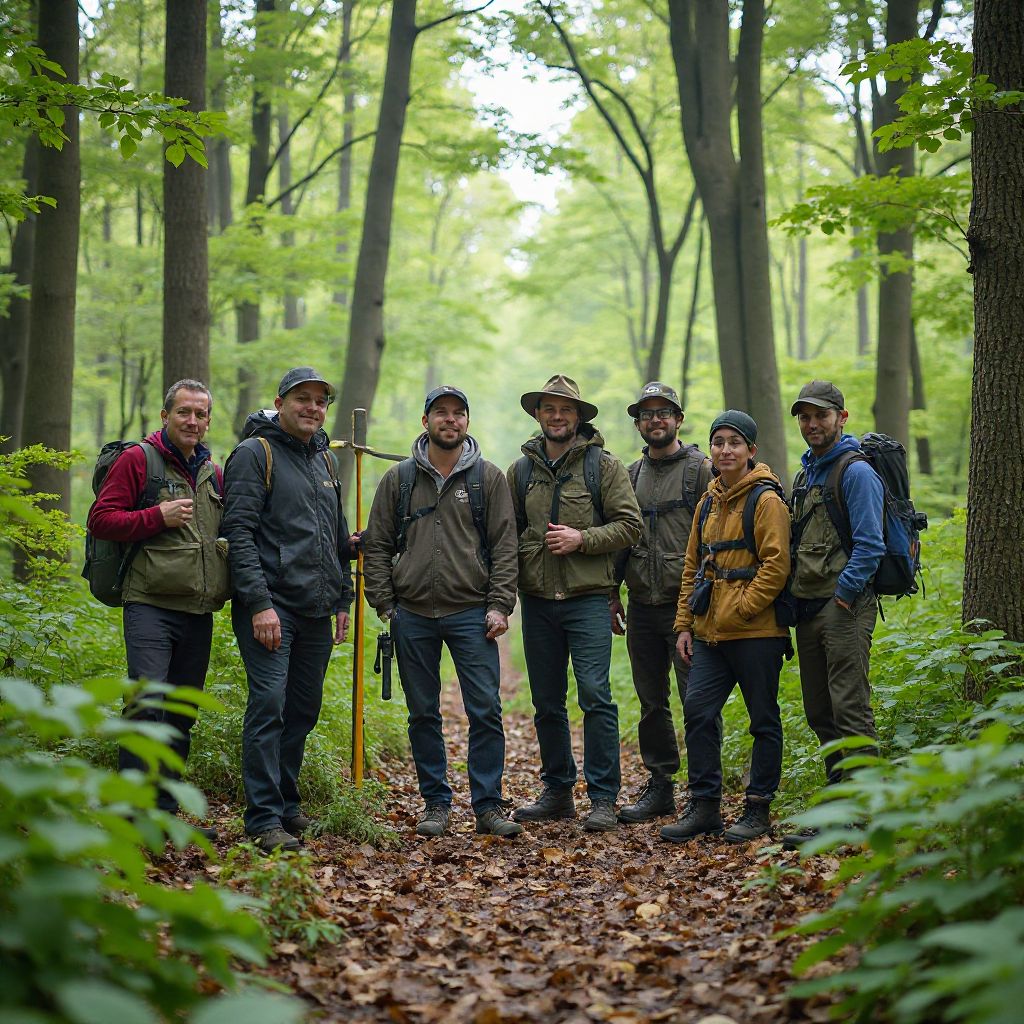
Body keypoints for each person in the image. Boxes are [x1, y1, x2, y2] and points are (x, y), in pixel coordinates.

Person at [363, 385, 522, 839]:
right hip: (411, 613)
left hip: (473, 613)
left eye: (458, 413)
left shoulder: (486, 478)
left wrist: (499, 605)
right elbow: (376, 544)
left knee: (486, 710)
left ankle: (488, 807)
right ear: (425, 420)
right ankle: (435, 804)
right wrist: (385, 602)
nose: (449, 420)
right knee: (422, 714)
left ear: (467, 422)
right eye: (440, 413)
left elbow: (505, 546)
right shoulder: (400, 479)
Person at [87, 379, 230, 839]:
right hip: (149, 604)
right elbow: (101, 520)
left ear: (209, 421)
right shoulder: (138, 460)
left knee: (180, 713)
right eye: (184, 412)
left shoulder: (213, 469)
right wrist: (156, 518)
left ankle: (165, 813)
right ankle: (130, 814)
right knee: (147, 705)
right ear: (166, 414)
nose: (192, 421)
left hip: (197, 609)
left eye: (201, 414)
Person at [222, 367, 355, 854]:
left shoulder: (324, 460)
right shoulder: (254, 454)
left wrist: (343, 598)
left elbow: (336, 537)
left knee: (302, 709)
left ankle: (285, 803)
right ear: (280, 402)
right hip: (271, 608)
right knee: (269, 706)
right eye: (303, 399)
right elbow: (237, 534)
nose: (313, 408)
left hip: (317, 610)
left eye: (321, 401)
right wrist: (258, 604)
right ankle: (261, 819)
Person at [508, 374, 643, 833]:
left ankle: (603, 797)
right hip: (538, 601)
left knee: (595, 697)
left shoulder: (603, 466)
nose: (558, 416)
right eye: (550, 408)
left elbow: (630, 526)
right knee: (546, 701)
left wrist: (582, 538)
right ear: (538, 414)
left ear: (579, 417)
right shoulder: (520, 471)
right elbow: (504, 537)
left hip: (587, 600)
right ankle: (557, 792)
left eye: (566, 409)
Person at [662, 411, 791, 845]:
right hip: (709, 635)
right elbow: (692, 567)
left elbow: (776, 566)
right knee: (698, 712)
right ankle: (704, 806)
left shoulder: (766, 500)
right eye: (718, 442)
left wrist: (743, 608)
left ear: (751, 450)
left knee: (763, 720)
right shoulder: (708, 501)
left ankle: (758, 808)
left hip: (757, 633)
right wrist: (685, 624)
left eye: (735, 442)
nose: (725, 450)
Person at [781, 381, 885, 851]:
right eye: (804, 417)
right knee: (820, 709)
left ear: (842, 417)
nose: (811, 424)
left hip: (844, 607)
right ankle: (837, 803)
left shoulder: (855, 472)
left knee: (849, 706)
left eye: (820, 415)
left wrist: (844, 595)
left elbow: (870, 544)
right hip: (810, 609)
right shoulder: (806, 474)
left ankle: (862, 812)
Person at [610, 382, 713, 823]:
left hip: (690, 607)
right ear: (638, 423)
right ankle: (661, 785)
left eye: (664, 412)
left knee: (698, 702)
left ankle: (705, 793)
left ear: (678, 419)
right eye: (647, 414)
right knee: (652, 702)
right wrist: (611, 591)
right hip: (642, 605)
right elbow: (618, 534)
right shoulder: (629, 475)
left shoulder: (701, 470)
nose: (656, 420)